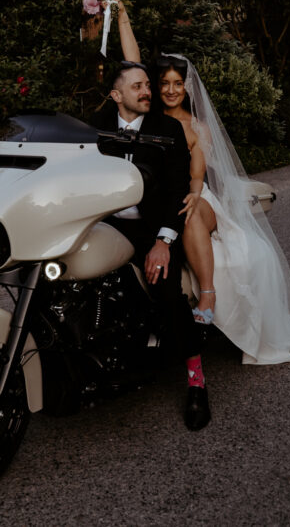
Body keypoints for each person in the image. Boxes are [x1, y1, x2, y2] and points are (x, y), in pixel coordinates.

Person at [116, 1, 290, 365]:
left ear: (187, 87)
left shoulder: (196, 127)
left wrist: (192, 194)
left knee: (188, 210)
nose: (171, 90)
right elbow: (133, 61)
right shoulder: (150, 116)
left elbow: (198, 176)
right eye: (164, 84)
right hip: (162, 198)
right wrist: (122, 15)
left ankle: (207, 293)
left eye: (177, 84)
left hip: (197, 197)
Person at [89, 59, 212, 431]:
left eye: (148, 85)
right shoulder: (93, 128)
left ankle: (196, 380)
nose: (147, 92)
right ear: (116, 95)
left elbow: (179, 190)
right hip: (104, 226)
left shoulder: (168, 128)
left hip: (151, 229)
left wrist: (163, 242)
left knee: (166, 293)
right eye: (138, 87)